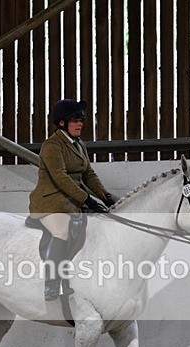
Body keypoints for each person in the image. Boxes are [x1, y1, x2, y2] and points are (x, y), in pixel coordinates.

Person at [29, 98, 118, 301]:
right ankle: (52, 284)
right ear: (62, 123)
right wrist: (87, 199)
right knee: (61, 231)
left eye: (81, 120)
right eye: (75, 120)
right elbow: (61, 178)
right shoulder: (52, 146)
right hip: (51, 203)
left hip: (73, 201)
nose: (80, 124)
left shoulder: (79, 145)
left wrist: (105, 197)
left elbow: (88, 174)